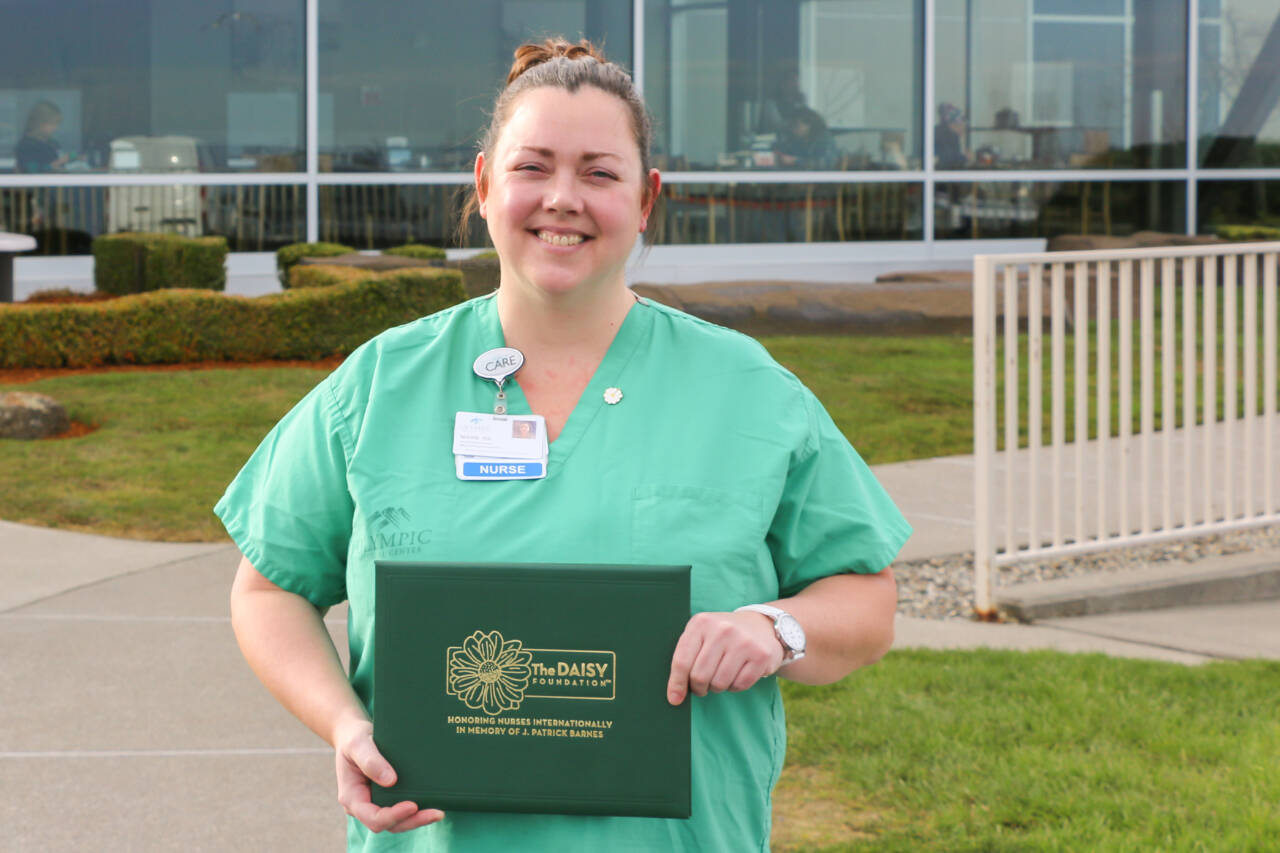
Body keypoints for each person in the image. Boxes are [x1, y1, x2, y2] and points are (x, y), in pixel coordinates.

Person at [218, 37, 909, 852]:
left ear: (647, 198)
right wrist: (345, 723)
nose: (562, 199)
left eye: (599, 173)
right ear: (484, 185)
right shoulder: (381, 386)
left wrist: (775, 626)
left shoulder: (747, 391)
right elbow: (268, 591)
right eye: (533, 167)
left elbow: (867, 599)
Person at [16, 101, 70, 173]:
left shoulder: (53, 143)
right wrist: (54, 165)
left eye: (57, 124)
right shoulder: (26, 146)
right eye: (52, 124)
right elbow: (30, 170)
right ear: (39, 123)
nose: (55, 128)